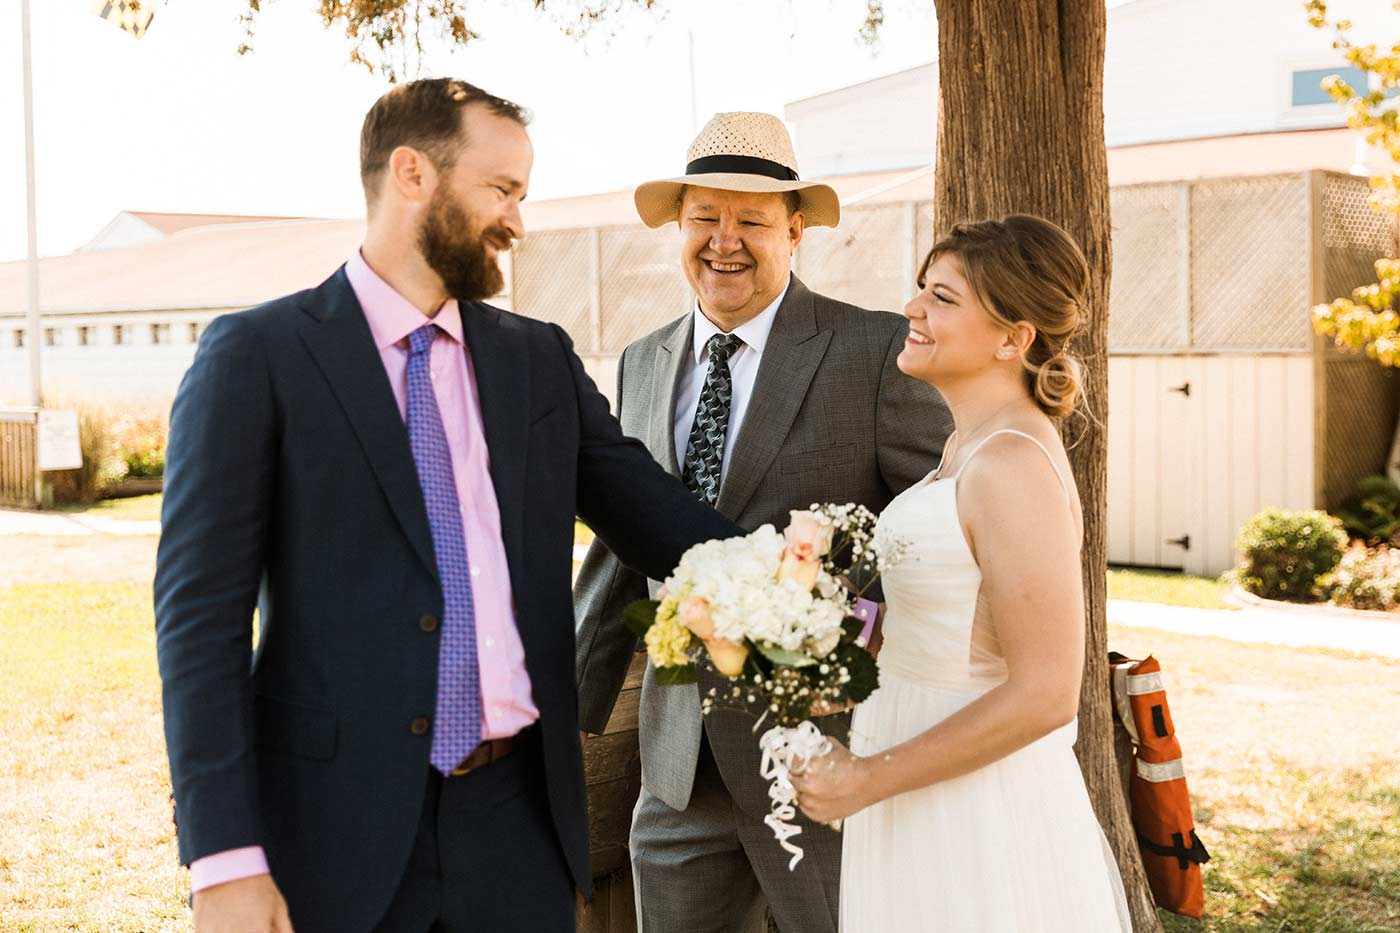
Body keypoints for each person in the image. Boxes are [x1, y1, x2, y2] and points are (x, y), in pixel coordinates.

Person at [153, 78, 737, 933]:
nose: (517, 222)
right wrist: (224, 859)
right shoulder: (257, 357)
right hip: (331, 831)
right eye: (501, 190)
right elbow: (199, 622)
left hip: (517, 833)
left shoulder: (537, 360)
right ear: (412, 174)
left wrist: (819, 596)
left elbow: (663, 522)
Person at [572, 111, 950, 932]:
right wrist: (561, 710)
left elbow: (942, 527)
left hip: (830, 757)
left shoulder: (876, 351)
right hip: (678, 771)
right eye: (705, 216)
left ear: (796, 230)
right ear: (680, 227)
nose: (724, 240)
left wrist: (850, 633)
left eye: (751, 219)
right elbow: (619, 549)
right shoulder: (641, 362)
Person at [789, 215, 1133, 930]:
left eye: (941, 297)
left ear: (1013, 338)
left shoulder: (1011, 463)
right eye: (921, 288)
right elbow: (947, 613)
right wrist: (836, 644)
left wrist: (866, 778)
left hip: (973, 808)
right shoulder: (964, 447)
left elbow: (1046, 693)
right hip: (911, 771)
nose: (911, 308)